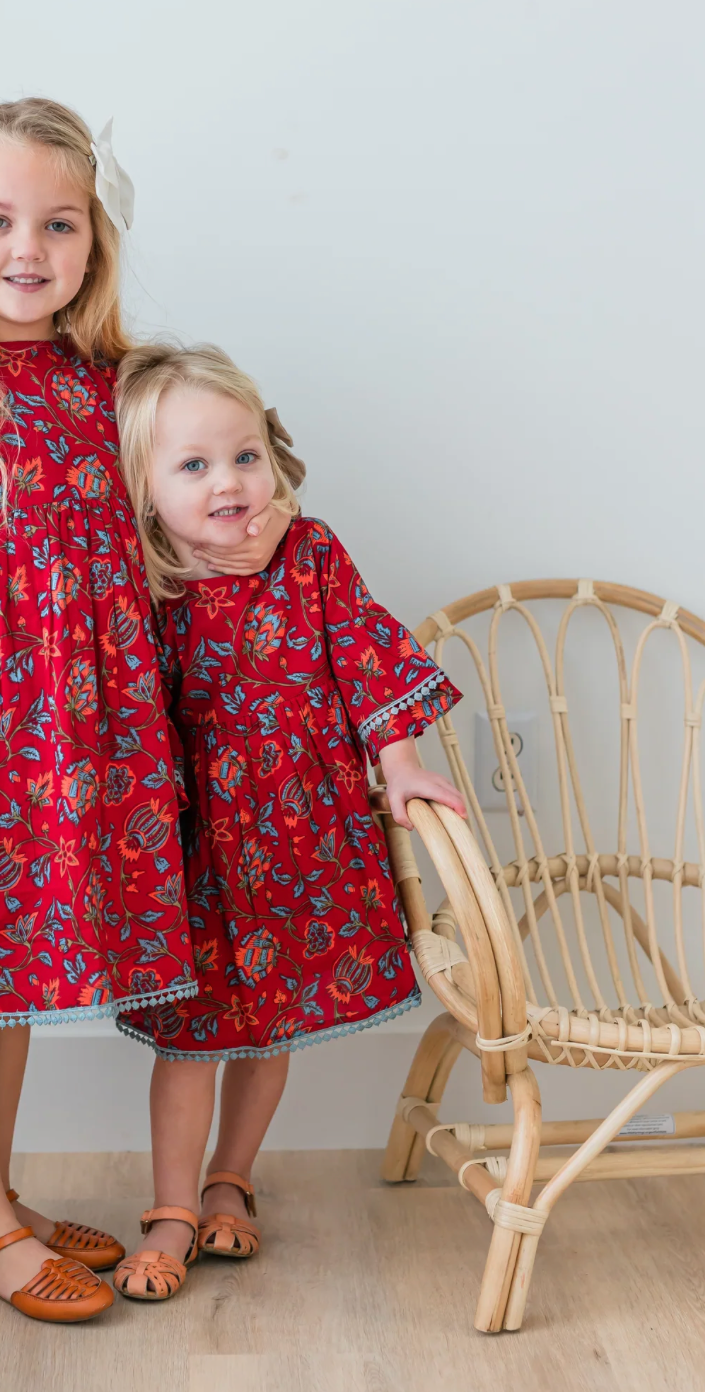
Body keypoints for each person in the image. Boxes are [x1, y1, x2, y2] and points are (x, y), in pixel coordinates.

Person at [0, 105, 282, 1322]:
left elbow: (195, 508)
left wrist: (267, 538)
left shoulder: (110, 392)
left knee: (11, 982)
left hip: (85, 746)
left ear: (92, 242)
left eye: (58, 222)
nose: (29, 244)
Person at [111, 343, 465, 1301]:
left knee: (268, 1030)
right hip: (194, 847)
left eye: (245, 455)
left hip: (299, 834)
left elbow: (364, 652)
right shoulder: (139, 578)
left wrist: (400, 766)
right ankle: (173, 1205)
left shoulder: (311, 555)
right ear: (140, 488)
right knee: (194, 1041)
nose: (228, 481)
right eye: (192, 465)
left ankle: (233, 1176)